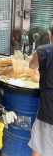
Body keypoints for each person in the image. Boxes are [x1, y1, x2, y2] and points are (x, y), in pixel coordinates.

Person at [28, 26, 53, 156]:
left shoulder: (43, 50)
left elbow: (31, 65)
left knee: (38, 146)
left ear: (50, 35)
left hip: (48, 110)